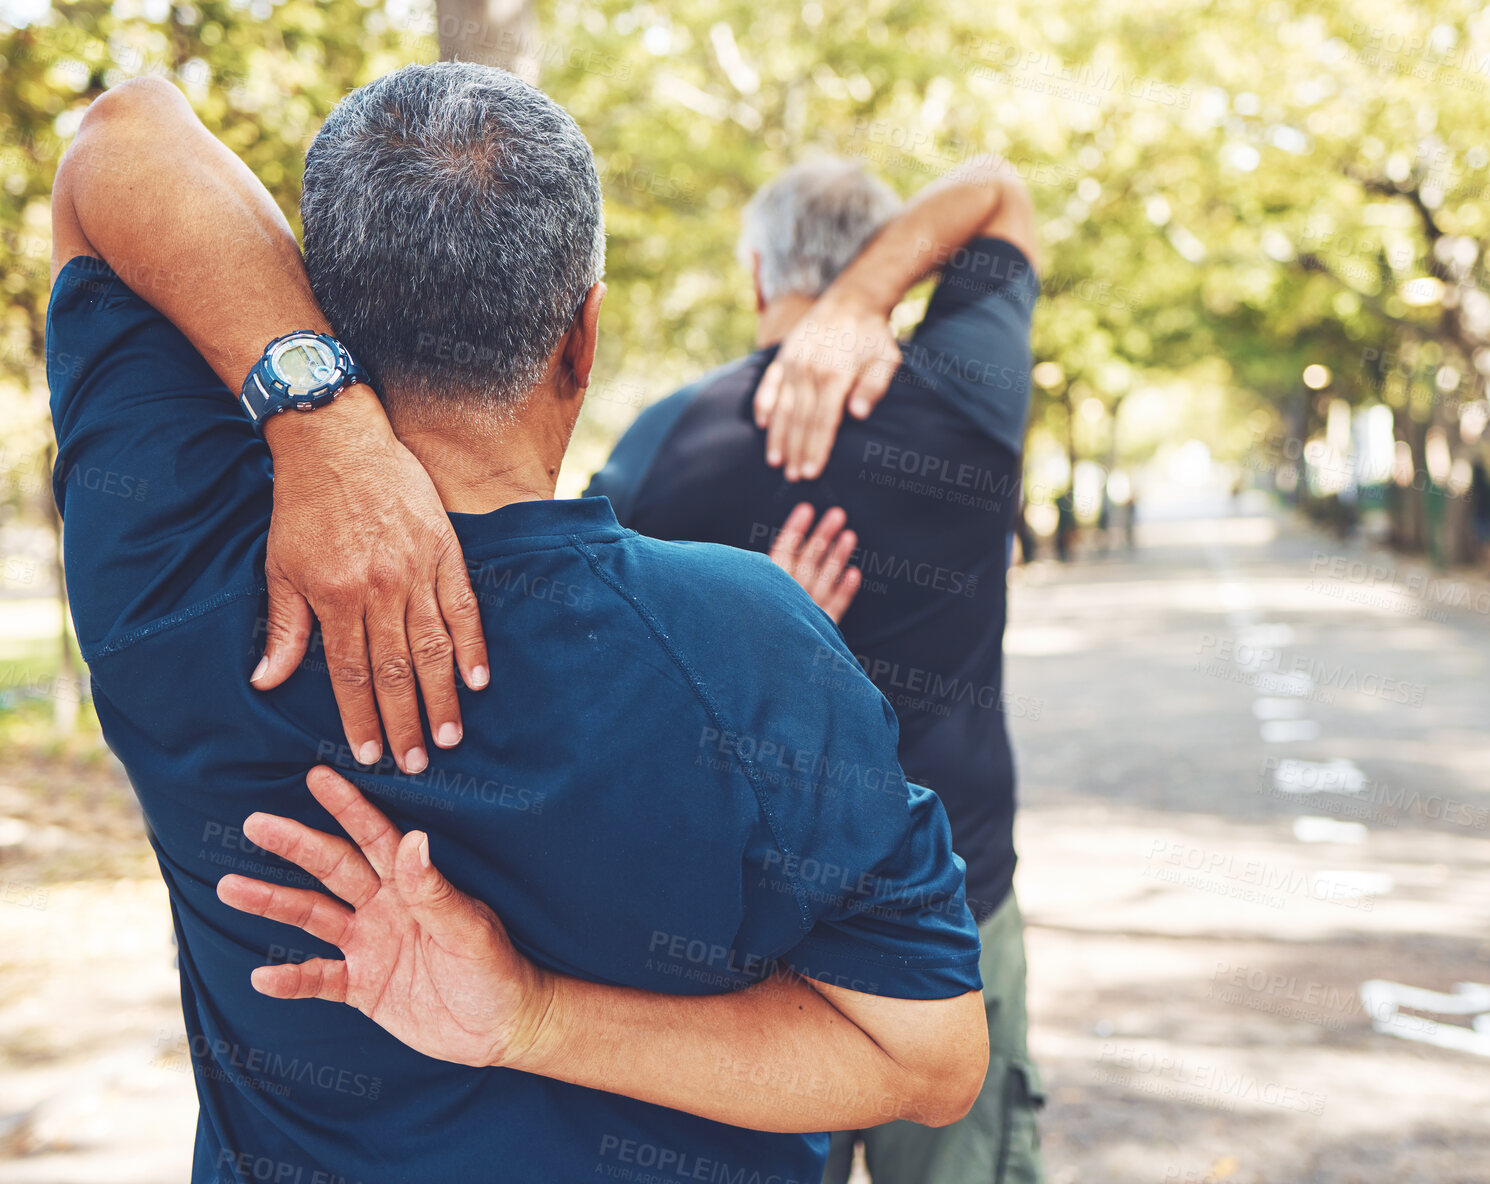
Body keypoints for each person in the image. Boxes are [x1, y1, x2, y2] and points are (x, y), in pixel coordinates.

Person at [47, 66, 987, 1183]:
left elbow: (119, 137)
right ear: (582, 338)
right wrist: (536, 1021)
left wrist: (316, 416)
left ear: (324, 306)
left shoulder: (176, 572)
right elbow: (927, 1059)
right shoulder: (752, 643)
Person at [586, 156, 1046, 1184]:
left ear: (756, 273)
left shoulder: (664, 446)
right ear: (897, 267)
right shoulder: (964, 406)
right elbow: (995, 189)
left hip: (738, 935)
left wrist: (752, 632)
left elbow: (599, 692)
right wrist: (863, 303)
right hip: (952, 912)